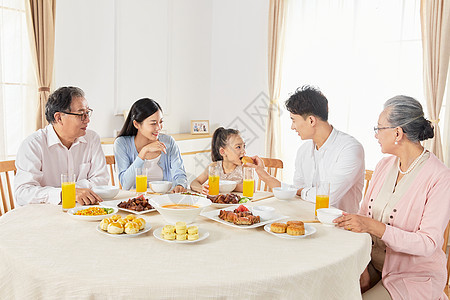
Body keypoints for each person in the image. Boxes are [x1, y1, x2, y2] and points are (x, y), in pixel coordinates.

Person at [335, 95, 450, 299]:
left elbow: (427, 243)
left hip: (412, 277)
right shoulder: (384, 165)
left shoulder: (440, 177)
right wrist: (360, 265)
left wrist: (372, 226)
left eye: (379, 128)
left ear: (397, 133)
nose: (376, 135)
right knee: (328, 289)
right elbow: (363, 218)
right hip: (371, 263)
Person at [248, 85, 364, 213]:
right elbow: (297, 193)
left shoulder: (350, 148)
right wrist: (264, 175)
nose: (292, 127)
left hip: (341, 226)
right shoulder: (303, 151)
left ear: (311, 120)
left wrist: (299, 191)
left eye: (293, 120)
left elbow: (327, 196)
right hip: (307, 219)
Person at [14, 86, 109, 206]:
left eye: (87, 113)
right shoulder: (33, 144)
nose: (87, 120)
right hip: (43, 216)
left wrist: (71, 192)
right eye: (81, 114)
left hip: (82, 211)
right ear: (58, 118)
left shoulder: (92, 138)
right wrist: (64, 193)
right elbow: (23, 193)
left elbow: (102, 181)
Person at [114, 98, 187, 193]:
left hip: (164, 201)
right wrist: (143, 152)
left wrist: (180, 184)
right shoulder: (122, 143)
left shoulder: (169, 142)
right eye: (153, 123)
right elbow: (126, 185)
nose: (159, 128)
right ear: (136, 124)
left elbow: (180, 174)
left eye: (161, 122)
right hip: (137, 203)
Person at [190, 127, 247, 194]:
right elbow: (194, 183)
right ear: (222, 151)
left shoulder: (244, 168)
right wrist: (201, 188)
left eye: (244, 146)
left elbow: (251, 188)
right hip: (216, 203)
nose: (244, 151)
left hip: (237, 203)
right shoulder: (214, 167)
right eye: (238, 147)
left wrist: (227, 186)